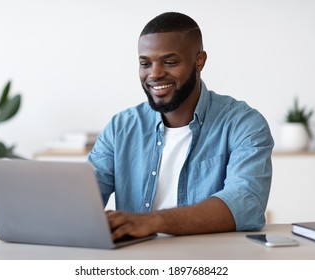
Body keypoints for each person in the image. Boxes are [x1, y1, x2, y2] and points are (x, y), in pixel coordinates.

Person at [87, 12, 274, 241]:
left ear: (199, 61)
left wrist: (152, 221)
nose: (154, 74)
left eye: (170, 62)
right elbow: (83, 201)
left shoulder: (244, 124)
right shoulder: (120, 128)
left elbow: (245, 203)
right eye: (145, 63)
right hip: (137, 260)